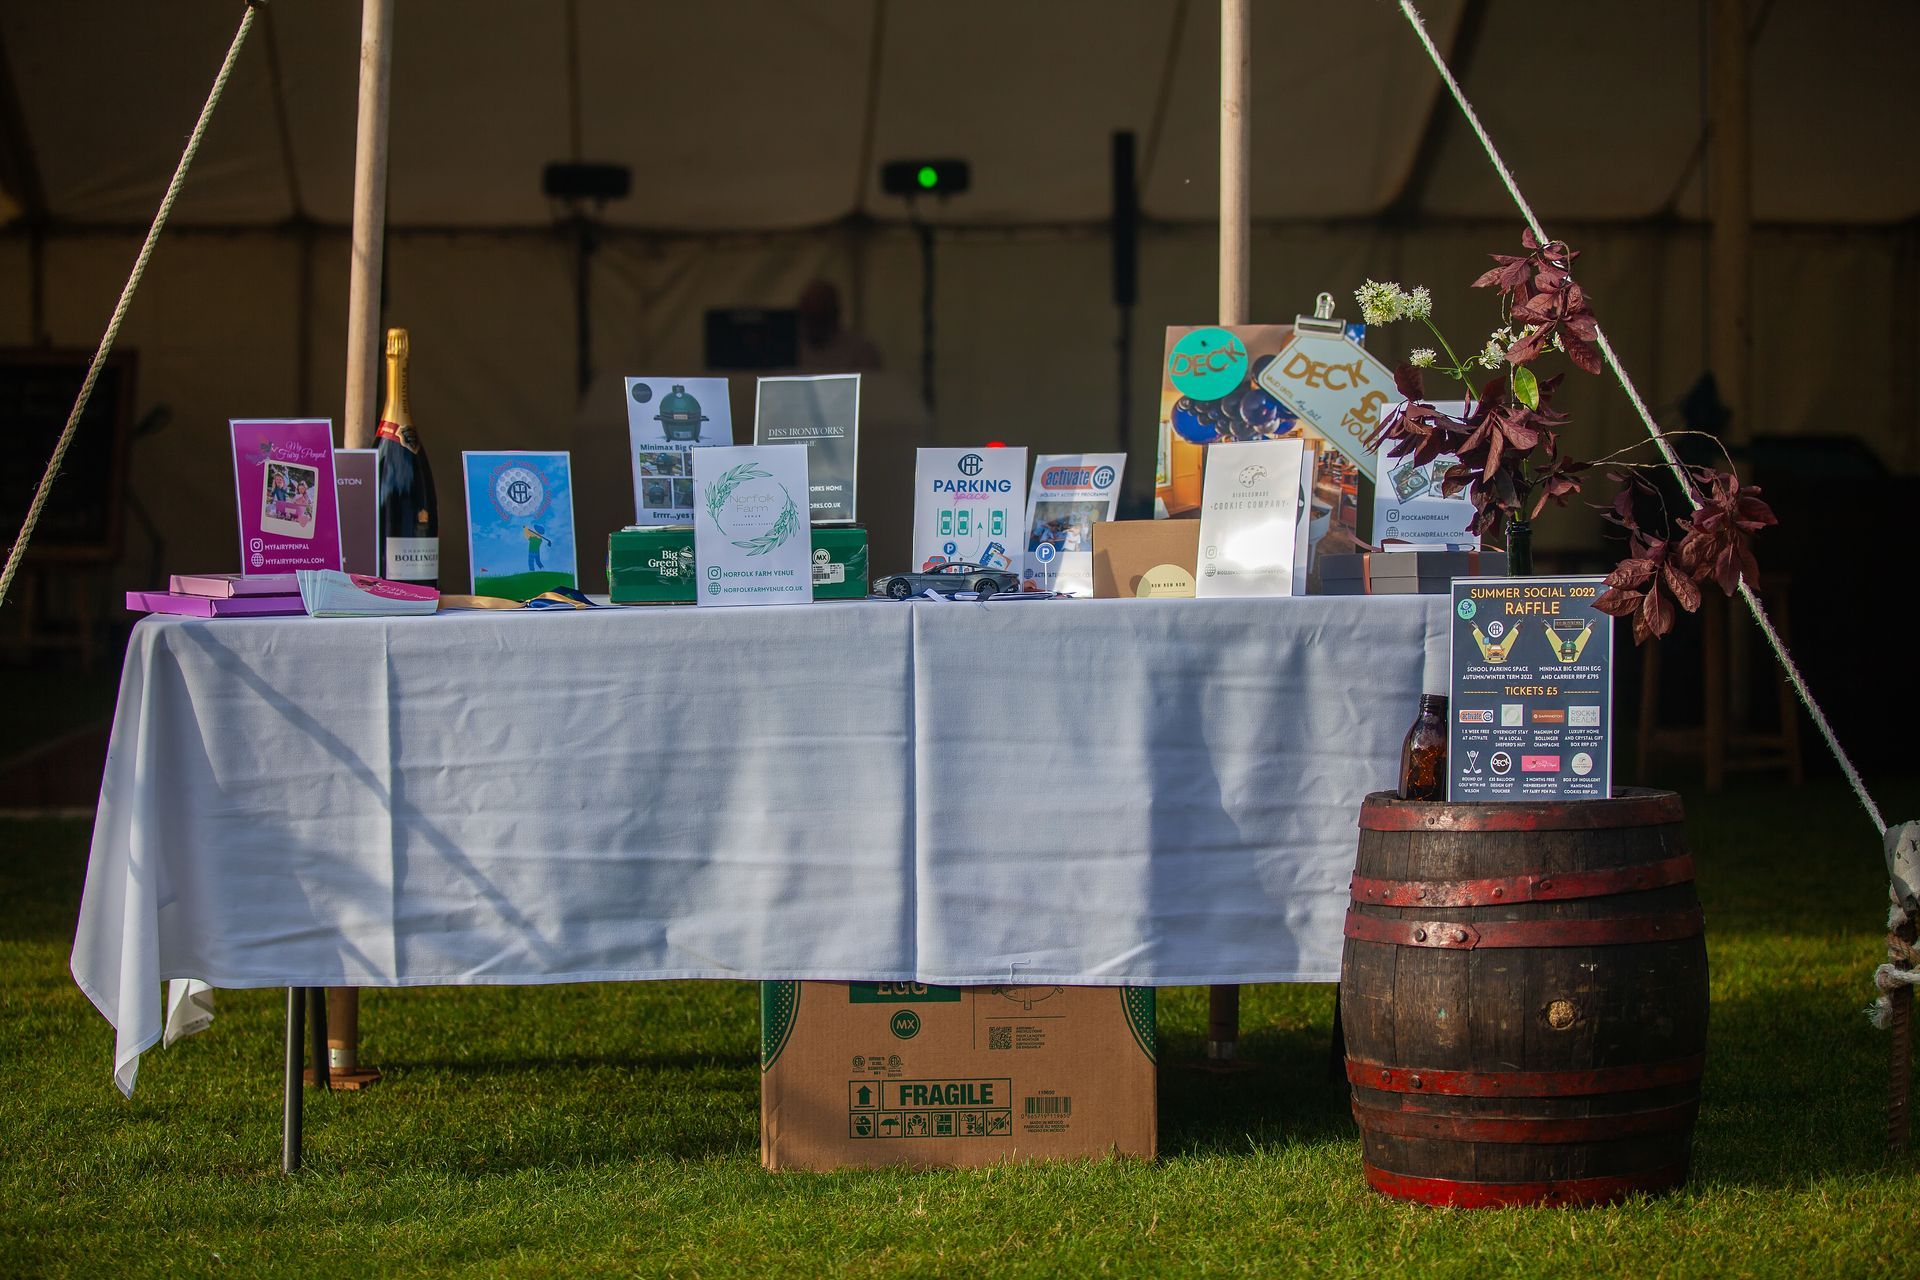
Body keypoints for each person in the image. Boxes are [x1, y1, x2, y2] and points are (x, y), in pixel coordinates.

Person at [797, 280, 883, 372]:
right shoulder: (790, 349)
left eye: (820, 316)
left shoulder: (861, 351)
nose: (814, 325)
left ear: (835, 313)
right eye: (809, 315)